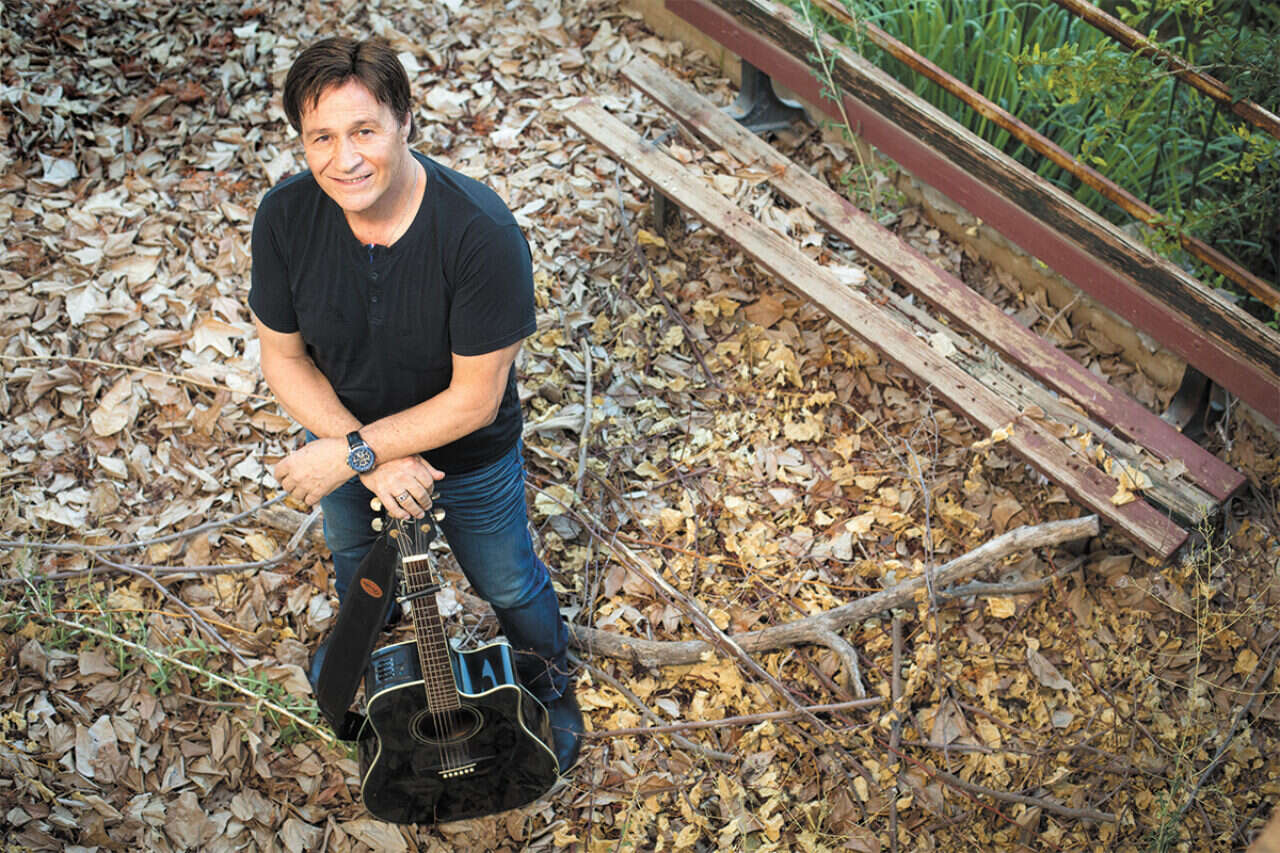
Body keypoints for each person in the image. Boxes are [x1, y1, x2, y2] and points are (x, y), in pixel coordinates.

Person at [247, 36, 581, 774]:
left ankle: (549, 684)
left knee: (507, 580)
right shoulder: (284, 216)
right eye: (321, 138)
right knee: (357, 565)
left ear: (405, 121)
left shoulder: (481, 234)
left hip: (466, 456)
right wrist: (364, 458)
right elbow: (284, 358)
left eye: (364, 130)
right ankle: (374, 640)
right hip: (347, 441)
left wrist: (352, 454)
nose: (345, 159)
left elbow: (475, 400)